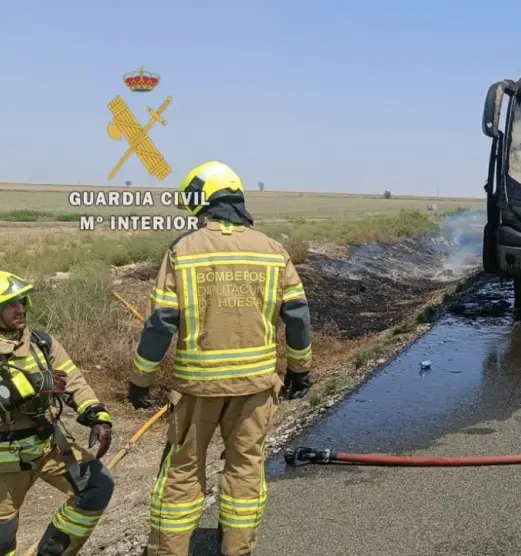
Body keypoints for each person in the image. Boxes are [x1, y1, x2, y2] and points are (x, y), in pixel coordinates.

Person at [128, 160, 313, 556]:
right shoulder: (273, 251)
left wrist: (140, 380)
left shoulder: (183, 250)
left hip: (197, 389)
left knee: (181, 475)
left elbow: (160, 323)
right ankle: (237, 550)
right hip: (256, 389)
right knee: (245, 472)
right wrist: (299, 372)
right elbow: (298, 317)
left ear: (204, 201)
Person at [0, 271, 114, 555]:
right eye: (10, 304)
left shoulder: (41, 342)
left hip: (49, 447)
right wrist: (24, 387)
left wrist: (96, 412)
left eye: (21, 301)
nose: (20, 308)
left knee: (97, 485)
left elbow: (74, 381)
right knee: (2, 538)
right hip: (5, 462)